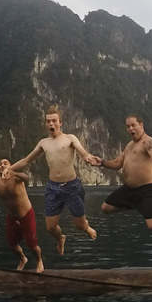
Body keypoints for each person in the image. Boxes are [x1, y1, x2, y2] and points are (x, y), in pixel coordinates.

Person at [10, 105, 99, 255]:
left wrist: (87, 157)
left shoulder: (70, 138)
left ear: (60, 123)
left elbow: (82, 152)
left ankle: (86, 227)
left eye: (54, 121)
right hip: (53, 188)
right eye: (48, 121)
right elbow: (26, 161)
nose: (51, 124)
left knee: (80, 225)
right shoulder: (43, 143)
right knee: (50, 228)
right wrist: (10, 169)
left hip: (71, 186)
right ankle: (60, 239)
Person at [99, 114, 152, 230]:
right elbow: (118, 163)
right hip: (128, 189)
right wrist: (102, 162)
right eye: (128, 126)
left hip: (146, 190)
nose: (130, 129)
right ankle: (135, 205)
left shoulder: (148, 142)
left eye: (133, 125)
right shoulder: (129, 145)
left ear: (141, 125)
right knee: (105, 208)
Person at [0, 157, 44, 273]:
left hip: (26, 215)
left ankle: (39, 261)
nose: (2, 165)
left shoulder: (16, 178)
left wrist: (14, 172)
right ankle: (23, 259)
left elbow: (26, 178)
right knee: (12, 244)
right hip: (12, 218)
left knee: (32, 245)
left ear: (10, 166)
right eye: (0, 164)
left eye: (5, 163)